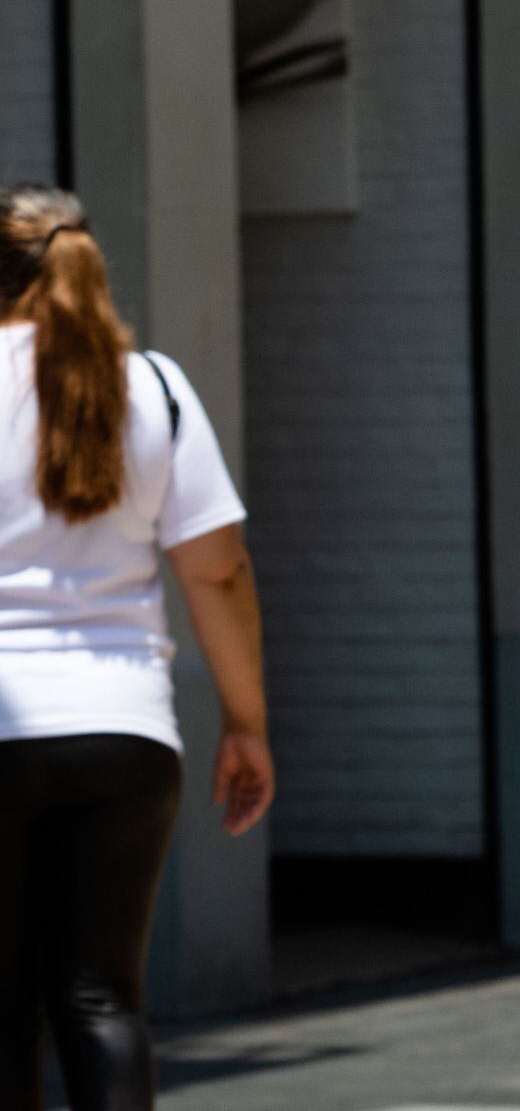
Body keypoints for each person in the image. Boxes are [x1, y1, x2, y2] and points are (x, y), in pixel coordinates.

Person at [0, 186, 272, 1111]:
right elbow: (219, 574)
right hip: (125, 736)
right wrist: (246, 724)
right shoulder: (151, 386)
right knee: (101, 995)